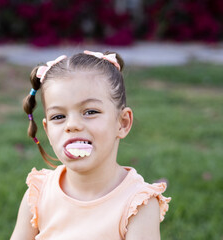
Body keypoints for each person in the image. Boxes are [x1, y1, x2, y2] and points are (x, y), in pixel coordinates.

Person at [10, 50, 171, 240]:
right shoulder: (38, 194)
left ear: (123, 123)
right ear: (48, 131)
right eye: (59, 116)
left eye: (90, 111)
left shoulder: (137, 204)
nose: (72, 125)